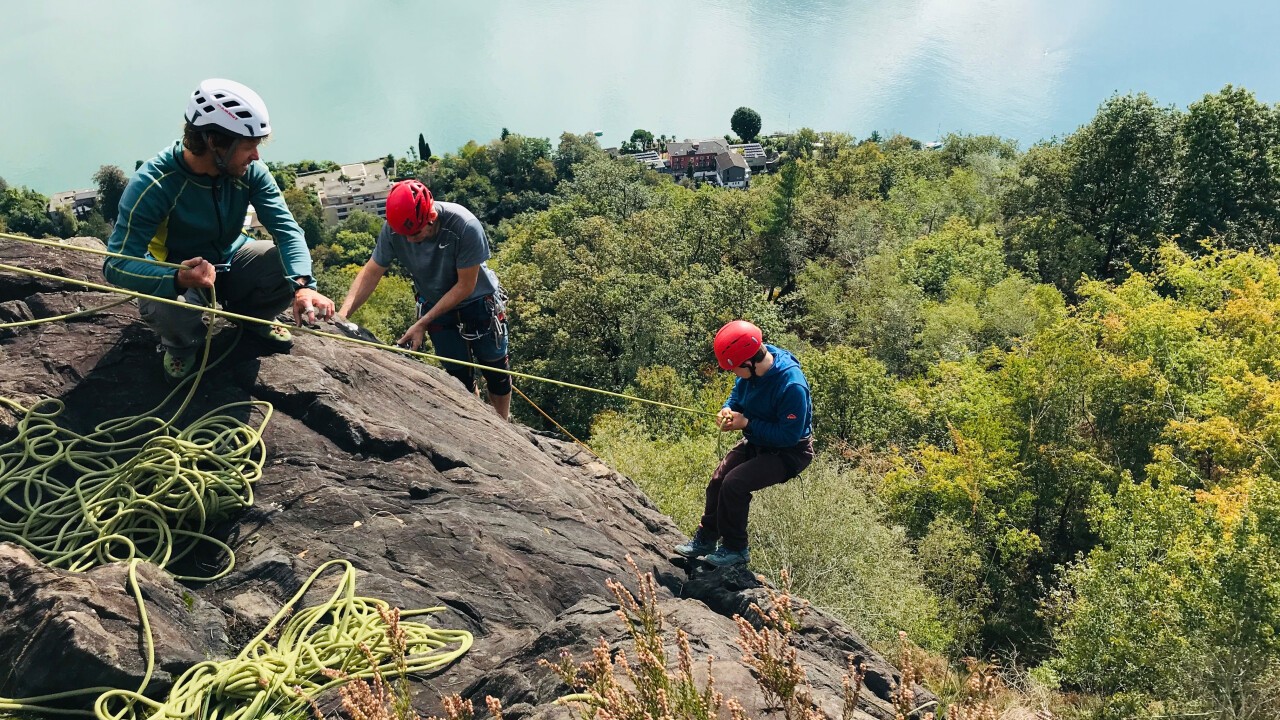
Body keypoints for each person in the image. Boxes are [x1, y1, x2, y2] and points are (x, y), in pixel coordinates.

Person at [103, 78, 334, 380]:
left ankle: (253, 319)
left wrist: (303, 286)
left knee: (280, 262)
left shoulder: (249, 172)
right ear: (215, 141)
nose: (256, 156)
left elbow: (287, 231)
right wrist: (177, 277)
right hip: (181, 270)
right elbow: (116, 264)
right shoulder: (155, 184)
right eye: (249, 146)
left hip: (231, 258)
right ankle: (182, 345)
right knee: (164, 306)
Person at [336, 180, 512, 420]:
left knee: (496, 372)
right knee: (458, 377)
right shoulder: (394, 229)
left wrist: (423, 322)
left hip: (478, 303)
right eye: (404, 235)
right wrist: (342, 315)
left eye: (415, 233)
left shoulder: (464, 226)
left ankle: (503, 426)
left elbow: (465, 286)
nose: (409, 240)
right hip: (435, 303)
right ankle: (479, 421)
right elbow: (372, 271)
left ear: (431, 216)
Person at [675, 320, 814, 567]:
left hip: (789, 452)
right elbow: (737, 395)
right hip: (757, 440)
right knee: (719, 479)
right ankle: (707, 538)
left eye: (733, 368)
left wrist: (746, 423)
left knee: (734, 484)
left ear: (749, 362)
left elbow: (789, 435)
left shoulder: (791, 385)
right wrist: (728, 409)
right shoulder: (751, 368)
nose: (732, 373)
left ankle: (736, 549)